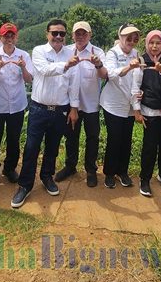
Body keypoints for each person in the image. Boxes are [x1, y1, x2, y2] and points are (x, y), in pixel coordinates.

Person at [11, 19, 79, 208]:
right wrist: (65, 66)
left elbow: (74, 82)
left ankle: (47, 177)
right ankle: (24, 185)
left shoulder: (71, 53)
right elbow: (44, 70)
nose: (58, 37)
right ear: (46, 33)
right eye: (54, 33)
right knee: (32, 147)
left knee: (53, 146)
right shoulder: (39, 51)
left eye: (62, 34)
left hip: (60, 110)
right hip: (39, 109)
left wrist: (74, 108)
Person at [55, 21, 107, 187]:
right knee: (71, 137)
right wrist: (72, 107)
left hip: (91, 104)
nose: (80, 36)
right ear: (72, 35)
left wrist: (97, 64)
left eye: (84, 33)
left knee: (92, 138)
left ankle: (91, 170)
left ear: (90, 35)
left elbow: (104, 76)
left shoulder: (98, 53)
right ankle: (70, 166)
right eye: (77, 33)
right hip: (71, 105)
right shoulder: (67, 52)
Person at [0, 23, 33, 189]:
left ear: (16, 37)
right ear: (1, 37)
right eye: (6, 36)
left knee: (14, 139)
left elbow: (28, 79)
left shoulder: (23, 55)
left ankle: (10, 169)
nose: (9, 38)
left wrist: (23, 67)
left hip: (17, 105)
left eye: (12, 35)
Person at [131, 30, 161, 197]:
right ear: (147, 44)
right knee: (150, 147)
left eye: (158, 43)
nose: (154, 46)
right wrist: (136, 110)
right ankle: (145, 179)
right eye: (151, 43)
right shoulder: (142, 61)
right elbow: (136, 86)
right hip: (150, 111)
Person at [100, 23, 142, 188]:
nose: (131, 41)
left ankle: (122, 171)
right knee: (114, 139)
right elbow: (110, 74)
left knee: (126, 140)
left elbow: (138, 77)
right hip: (113, 104)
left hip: (130, 105)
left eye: (134, 38)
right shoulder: (112, 53)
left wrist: (139, 95)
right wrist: (127, 67)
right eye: (128, 37)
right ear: (121, 37)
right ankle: (109, 173)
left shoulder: (136, 54)